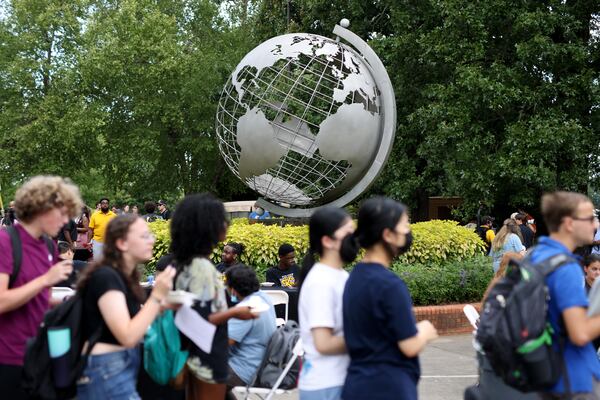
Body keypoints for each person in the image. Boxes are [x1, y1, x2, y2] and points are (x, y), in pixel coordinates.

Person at [342, 197, 438, 400]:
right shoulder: (389, 285)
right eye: (404, 225)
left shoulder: (354, 277)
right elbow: (409, 345)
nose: (407, 231)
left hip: (357, 385)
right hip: (388, 387)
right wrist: (425, 331)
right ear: (387, 234)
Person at [75, 214, 176, 399]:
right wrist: (157, 296)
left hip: (117, 365)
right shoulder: (106, 277)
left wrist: (161, 306)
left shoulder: (123, 276)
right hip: (105, 369)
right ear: (122, 243)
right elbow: (127, 336)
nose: (151, 240)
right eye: (144, 236)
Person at [0, 176, 82, 400]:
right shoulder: (5, 242)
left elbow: (40, 299)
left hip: (38, 353)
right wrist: (46, 279)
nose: (66, 221)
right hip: (7, 358)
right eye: (62, 213)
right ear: (41, 208)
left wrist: (73, 300)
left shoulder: (47, 244)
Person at [170, 193, 256, 400]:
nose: (226, 224)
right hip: (207, 357)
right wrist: (236, 312)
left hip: (193, 354)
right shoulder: (202, 269)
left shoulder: (185, 264)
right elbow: (201, 319)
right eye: (221, 219)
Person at [527, 192, 600, 398]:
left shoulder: (536, 255)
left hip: (545, 373)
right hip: (574, 379)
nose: (595, 224)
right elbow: (580, 333)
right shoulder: (565, 267)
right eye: (590, 218)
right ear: (569, 223)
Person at [298, 207, 358, 400]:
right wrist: (369, 336)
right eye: (348, 233)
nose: (354, 239)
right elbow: (323, 343)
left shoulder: (339, 275)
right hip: (325, 386)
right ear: (327, 240)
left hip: (339, 381)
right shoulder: (321, 281)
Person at [224, 265, 276, 399]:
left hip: (243, 368)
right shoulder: (264, 297)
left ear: (233, 290)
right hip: (261, 363)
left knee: (198, 376)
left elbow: (224, 343)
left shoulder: (245, 309)